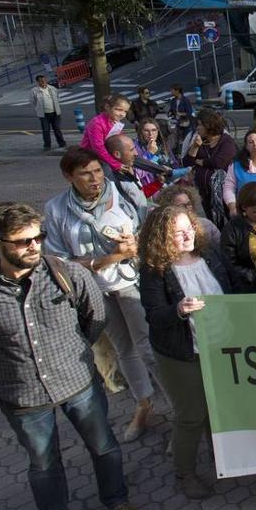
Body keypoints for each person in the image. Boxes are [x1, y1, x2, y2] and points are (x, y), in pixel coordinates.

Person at [0, 202, 140, 510]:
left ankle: (117, 502)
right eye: (22, 241)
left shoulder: (66, 273)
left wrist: (69, 355)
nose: (34, 246)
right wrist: (15, 367)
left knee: (103, 446)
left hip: (77, 383)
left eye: (38, 237)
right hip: (22, 394)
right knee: (42, 460)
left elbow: (95, 318)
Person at [43, 147, 158, 444]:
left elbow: (151, 230)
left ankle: (178, 409)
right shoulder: (56, 209)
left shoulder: (126, 192)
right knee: (124, 348)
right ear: (69, 177)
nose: (95, 179)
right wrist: (106, 260)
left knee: (148, 345)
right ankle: (144, 404)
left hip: (133, 283)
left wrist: (135, 243)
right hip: (94, 289)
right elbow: (58, 259)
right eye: (85, 174)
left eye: (97, 171)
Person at [138, 204, 234, 499]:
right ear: (162, 237)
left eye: (188, 228)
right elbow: (155, 316)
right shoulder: (155, 271)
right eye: (177, 233)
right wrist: (178, 309)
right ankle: (185, 473)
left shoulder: (209, 254)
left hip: (218, 346)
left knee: (215, 409)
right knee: (190, 414)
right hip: (182, 353)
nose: (186, 236)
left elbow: (232, 288)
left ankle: (220, 458)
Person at [183, 109, 238, 223]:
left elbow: (218, 163)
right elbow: (187, 162)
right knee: (212, 220)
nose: (197, 128)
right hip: (204, 191)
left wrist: (199, 162)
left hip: (223, 191)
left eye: (200, 125)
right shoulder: (201, 141)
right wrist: (195, 147)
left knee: (227, 218)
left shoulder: (226, 141)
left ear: (209, 125)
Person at [220, 182, 256, 292]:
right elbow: (229, 263)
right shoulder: (232, 229)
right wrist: (253, 275)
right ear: (244, 207)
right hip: (247, 285)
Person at [153, 184, 221, 248]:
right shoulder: (165, 234)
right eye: (181, 206)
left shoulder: (207, 225)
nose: (187, 208)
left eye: (189, 204)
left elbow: (222, 248)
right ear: (169, 208)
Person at [81, 94, 130, 171]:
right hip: (90, 158)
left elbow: (119, 141)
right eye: (119, 109)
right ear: (107, 107)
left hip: (106, 156)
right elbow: (98, 148)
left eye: (125, 111)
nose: (122, 114)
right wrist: (116, 164)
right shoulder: (97, 123)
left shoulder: (115, 122)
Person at [30, 74, 67, 151]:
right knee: (46, 130)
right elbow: (33, 102)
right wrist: (39, 108)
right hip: (44, 115)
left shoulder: (52, 88)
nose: (43, 82)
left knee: (57, 129)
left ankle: (62, 143)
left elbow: (57, 98)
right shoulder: (34, 91)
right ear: (38, 82)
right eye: (41, 81)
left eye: (44, 80)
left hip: (55, 113)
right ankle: (47, 145)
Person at [167, 84, 196, 149]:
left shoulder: (185, 100)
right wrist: (169, 113)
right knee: (178, 138)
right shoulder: (173, 100)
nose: (171, 92)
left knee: (187, 139)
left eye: (172, 90)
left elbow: (189, 112)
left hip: (186, 123)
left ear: (177, 91)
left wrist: (180, 114)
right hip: (178, 123)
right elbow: (171, 110)